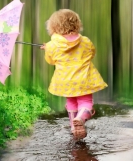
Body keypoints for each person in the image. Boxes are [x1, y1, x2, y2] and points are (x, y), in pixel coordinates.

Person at [40, 9, 108, 139]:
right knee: (85, 102)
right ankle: (81, 119)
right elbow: (91, 53)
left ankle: (73, 127)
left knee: (71, 101)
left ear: (53, 27)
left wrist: (47, 48)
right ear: (77, 24)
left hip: (65, 81)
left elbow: (51, 61)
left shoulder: (52, 45)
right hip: (84, 79)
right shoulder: (86, 41)